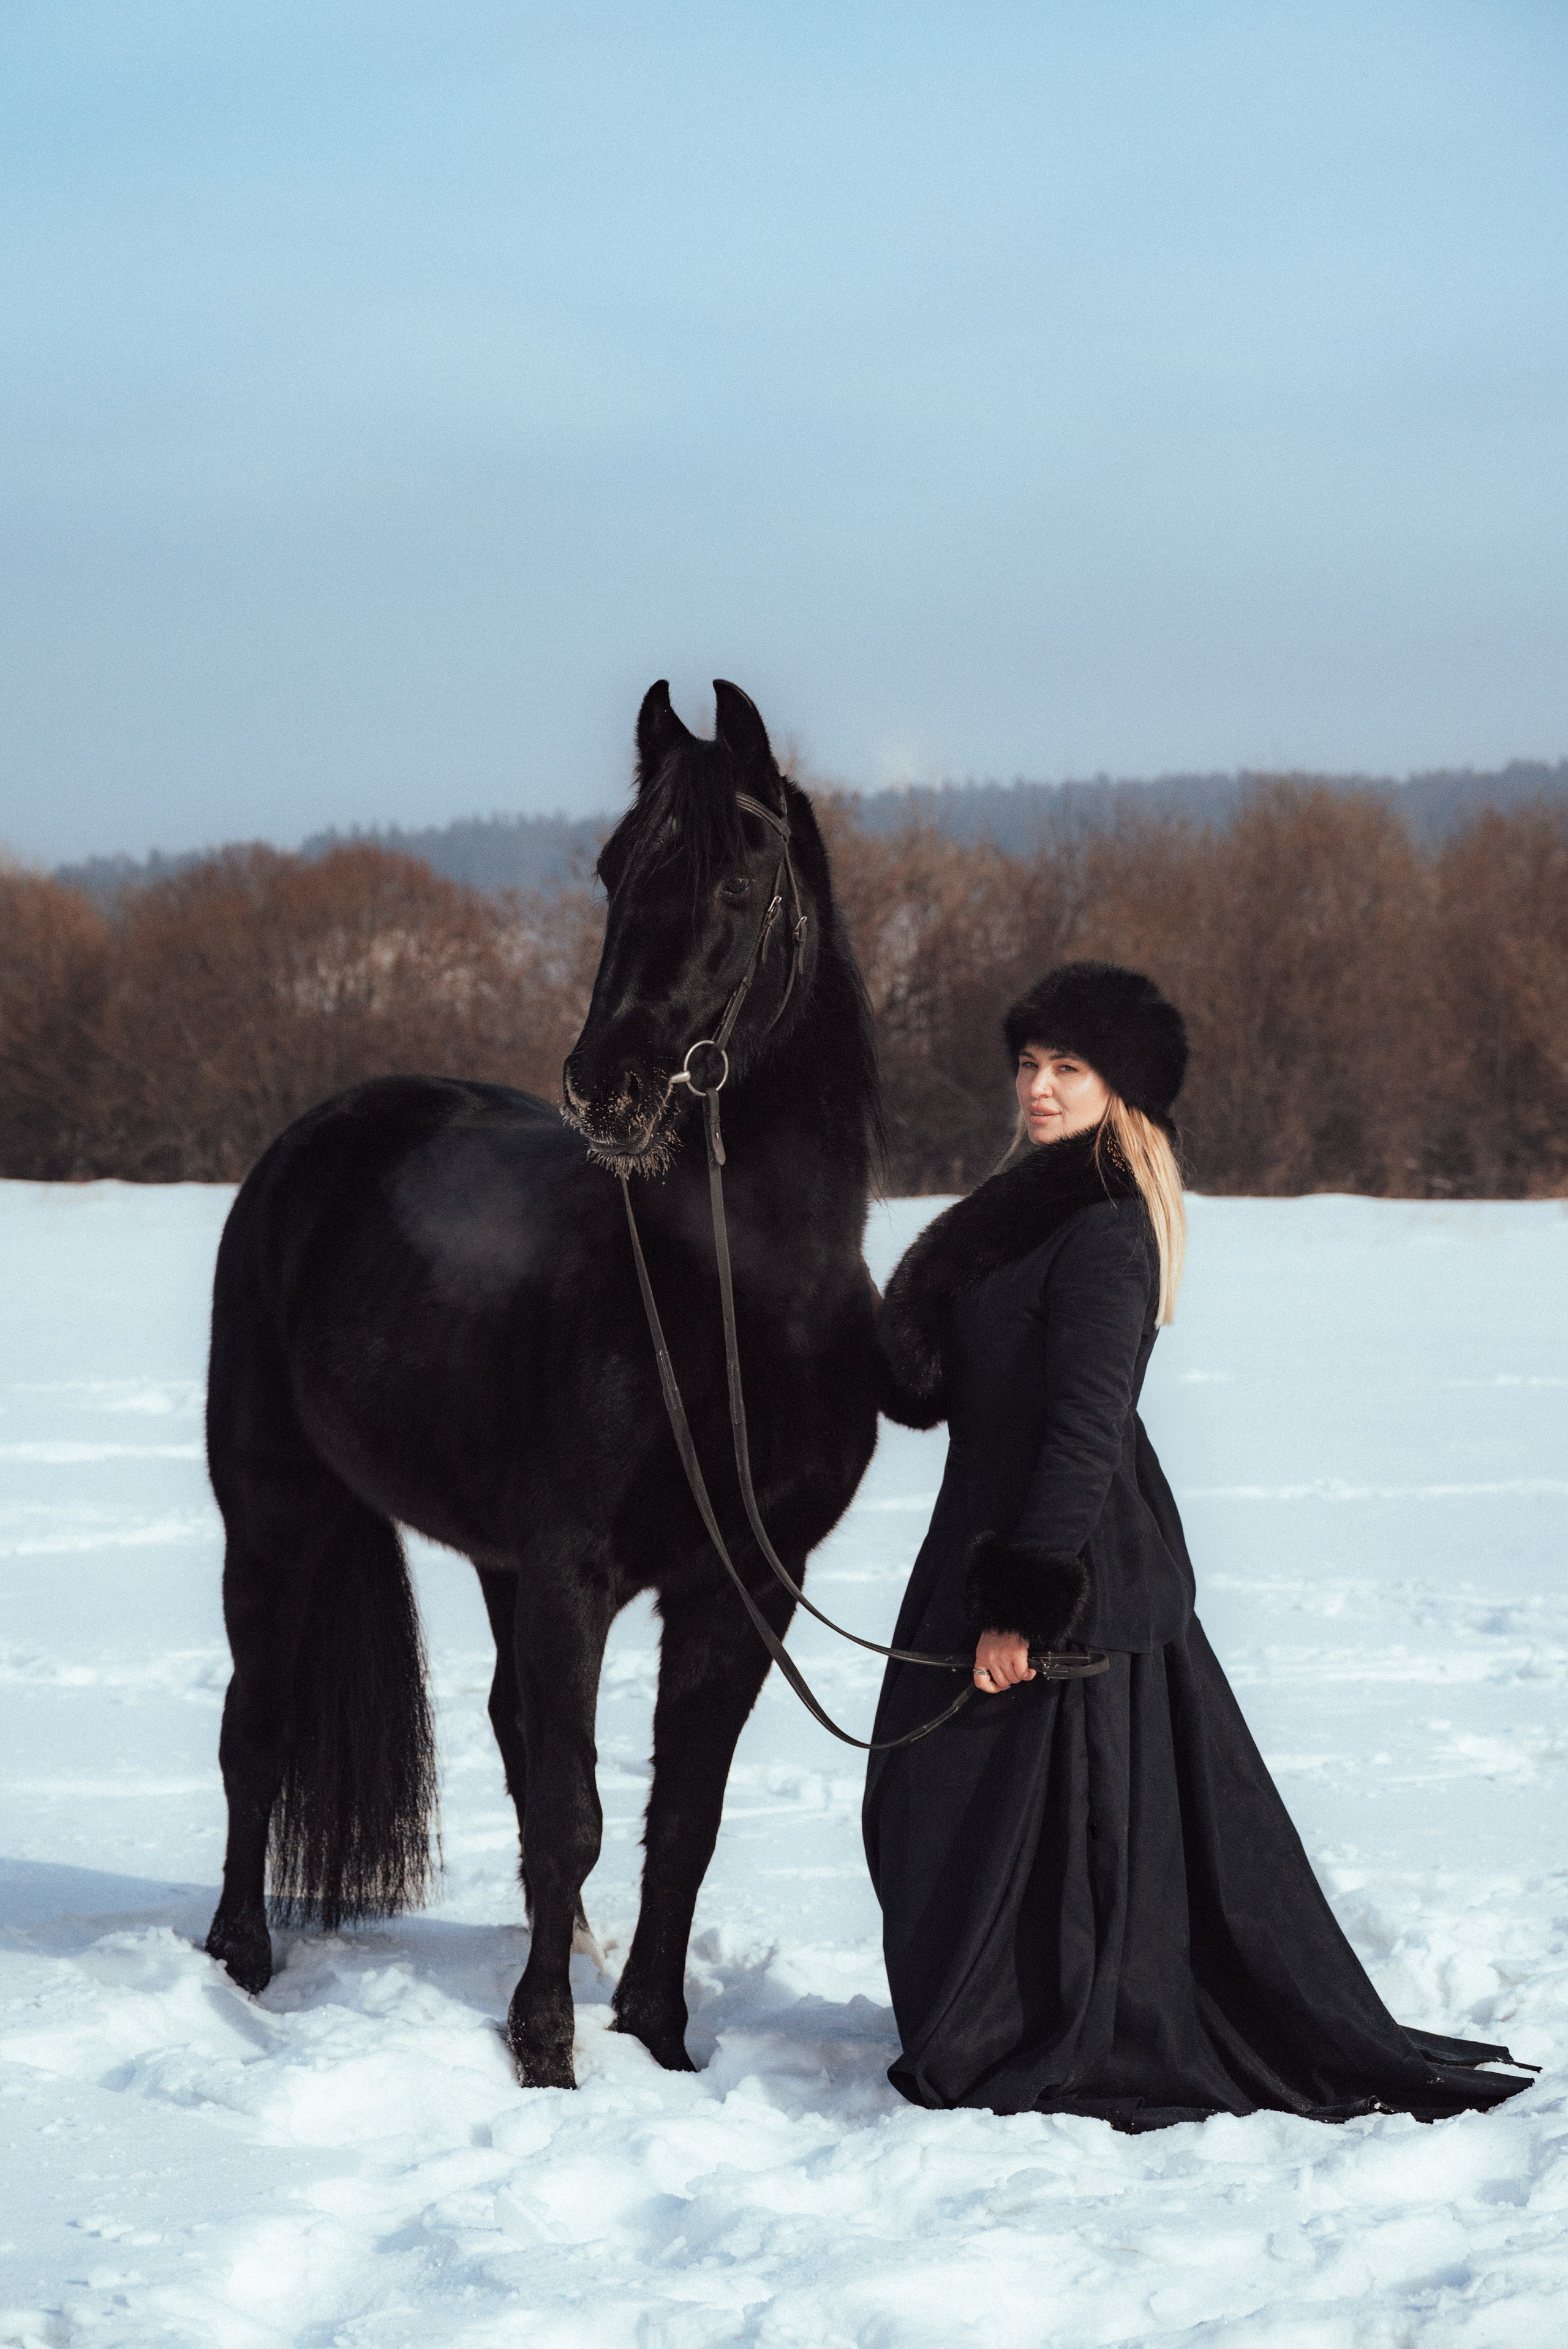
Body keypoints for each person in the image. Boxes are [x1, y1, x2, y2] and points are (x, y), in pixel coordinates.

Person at [862, 959, 1532, 2127]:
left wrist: (1024, 1604)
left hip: (1065, 1562)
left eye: (1069, 1067)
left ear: (1123, 1088)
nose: (1040, 1086)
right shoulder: (1024, 1211)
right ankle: (993, 2011)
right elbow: (943, 1381)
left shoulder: (1112, 1230)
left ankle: (1046, 2020)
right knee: (916, 1796)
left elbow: (1080, 1434)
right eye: (1030, 1063)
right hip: (976, 1539)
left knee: (1027, 1820)